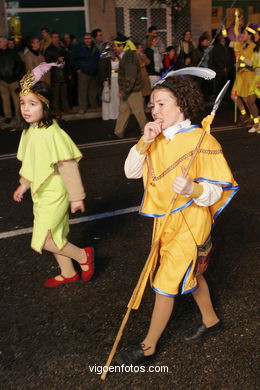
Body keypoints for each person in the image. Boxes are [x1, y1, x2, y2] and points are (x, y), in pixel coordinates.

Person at [115, 74, 239, 365]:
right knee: (191, 274)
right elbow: (131, 172)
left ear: (181, 104)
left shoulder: (201, 140)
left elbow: (217, 190)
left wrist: (193, 189)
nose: (155, 110)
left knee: (166, 281)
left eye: (161, 103)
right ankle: (211, 320)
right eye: (152, 104)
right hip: (165, 222)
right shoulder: (155, 137)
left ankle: (148, 346)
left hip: (191, 223)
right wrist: (144, 142)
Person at [13, 63, 94, 287]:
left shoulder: (53, 132)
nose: (26, 109)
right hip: (41, 193)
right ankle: (68, 272)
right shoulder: (31, 130)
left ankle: (82, 256)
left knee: (44, 239)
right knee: (56, 234)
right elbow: (33, 163)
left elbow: (68, 166)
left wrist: (76, 197)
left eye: (32, 104)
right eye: (22, 103)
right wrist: (24, 185)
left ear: (45, 106)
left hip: (56, 192)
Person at [111, 33, 147, 139]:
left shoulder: (129, 57)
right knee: (123, 111)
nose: (114, 48)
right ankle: (118, 132)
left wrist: (123, 91)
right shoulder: (126, 56)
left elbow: (131, 77)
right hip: (128, 91)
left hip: (132, 91)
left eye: (115, 46)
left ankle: (147, 131)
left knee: (139, 113)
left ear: (121, 46)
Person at [231, 25, 256, 125]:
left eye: (245, 33)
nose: (243, 35)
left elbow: (252, 62)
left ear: (250, 36)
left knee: (247, 99)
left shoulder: (254, 47)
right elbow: (233, 40)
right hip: (240, 75)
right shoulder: (241, 44)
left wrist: (240, 58)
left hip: (249, 75)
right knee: (234, 96)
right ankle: (244, 113)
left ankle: (252, 117)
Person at [45, 32, 73, 116]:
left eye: (57, 37)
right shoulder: (49, 49)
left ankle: (66, 108)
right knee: (56, 95)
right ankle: (56, 109)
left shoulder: (62, 48)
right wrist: (57, 60)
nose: (56, 39)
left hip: (64, 73)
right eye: (54, 37)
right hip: (55, 74)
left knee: (64, 94)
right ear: (51, 38)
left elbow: (67, 61)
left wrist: (69, 72)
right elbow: (47, 62)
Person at [70, 32, 100, 114]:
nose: (87, 40)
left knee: (93, 91)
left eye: (89, 38)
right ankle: (82, 107)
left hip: (94, 72)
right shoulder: (79, 48)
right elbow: (72, 59)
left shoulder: (95, 47)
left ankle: (93, 106)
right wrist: (77, 69)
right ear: (83, 39)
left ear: (92, 39)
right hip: (83, 72)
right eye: (86, 39)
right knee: (82, 91)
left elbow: (99, 59)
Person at [0, 36, 24, 124]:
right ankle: (8, 116)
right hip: (2, 81)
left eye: (1, 41)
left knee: (16, 99)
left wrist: (15, 75)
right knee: (5, 99)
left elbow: (19, 65)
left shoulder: (13, 53)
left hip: (13, 80)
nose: (0, 43)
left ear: (5, 42)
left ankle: (18, 115)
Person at [98, 42, 120, 120]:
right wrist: (105, 80)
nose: (113, 48)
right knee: (108, 96)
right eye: (111, 46)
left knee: (116, 97)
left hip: (117, 79)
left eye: (113, 46)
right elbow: (102, 70)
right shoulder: (104, 57)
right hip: (110, 79)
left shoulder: (117, 56)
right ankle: (108, 115)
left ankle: (116, 114)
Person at [247, 26, 260, 133]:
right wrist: (240, 57)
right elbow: (251, 63)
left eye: (256, 34)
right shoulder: (256, 49)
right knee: (250, 101)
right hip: (255, 76)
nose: (254, 36)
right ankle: (257, 124)